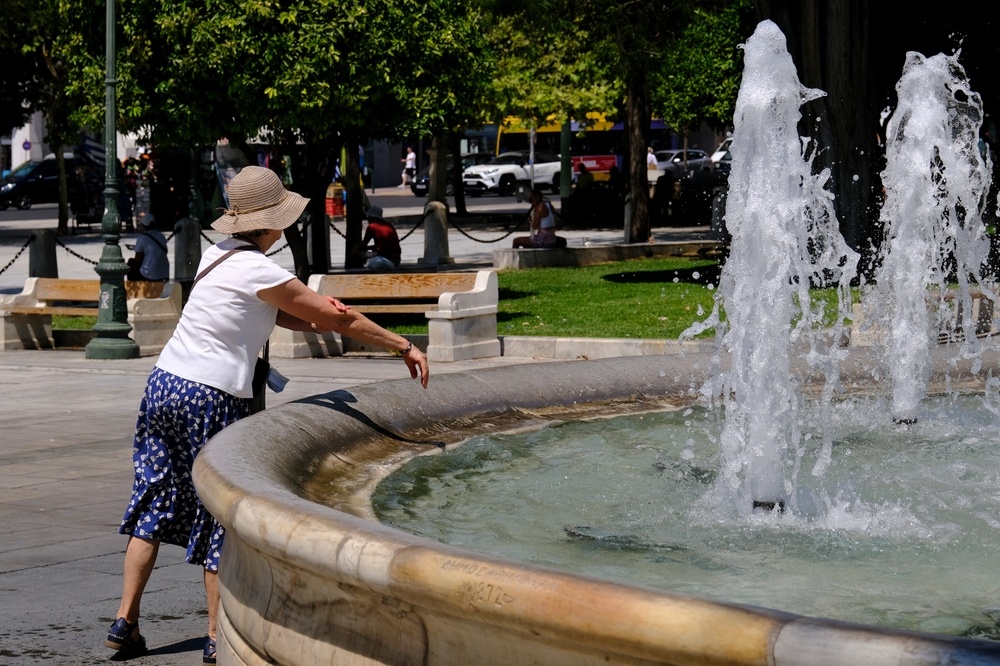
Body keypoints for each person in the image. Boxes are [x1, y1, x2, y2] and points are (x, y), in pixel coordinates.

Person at [104, 166, 429, 664]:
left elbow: (274, 312)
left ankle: (125, 622)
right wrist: (401, 344)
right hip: (210, 395)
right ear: (272, 222)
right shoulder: (261, 269)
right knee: (220, 515)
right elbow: (330, 316)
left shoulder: (218, 256)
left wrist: (319, 312)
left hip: (165, 384)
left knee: (154, 501)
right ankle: (217, 637)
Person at [126, 213, 170, 282]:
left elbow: (138, 259)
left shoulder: (142, 238)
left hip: (148, 274)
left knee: (131, 262)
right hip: (164, 273)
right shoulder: (161, 236)